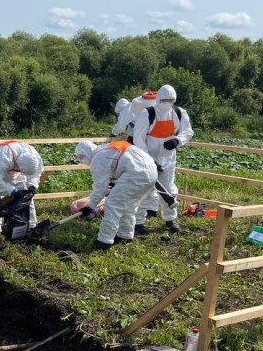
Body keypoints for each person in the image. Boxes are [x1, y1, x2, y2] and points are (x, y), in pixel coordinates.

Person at [131, 84, 194, 233]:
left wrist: (177, 141)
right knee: (144, 190)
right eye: (165, 100)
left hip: (168, 158)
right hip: (147, 158)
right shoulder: (147, 114)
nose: (167, 103)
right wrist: (148, 160)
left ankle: (170, 219)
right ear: (158, 99)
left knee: (168, 189)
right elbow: (138, 139)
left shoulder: (179, 113)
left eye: (171, 100)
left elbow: (187, 131)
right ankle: (138, 222)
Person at [74, 139, 158, 250]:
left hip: (136, 174)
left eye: (81, 157)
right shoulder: (107, 148)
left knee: (112, 204)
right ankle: (125, 235)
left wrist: (90, 206)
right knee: (129, 205)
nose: (82, 161)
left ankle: (104, 241)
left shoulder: (98, 159)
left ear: (87, 152)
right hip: (151, 172)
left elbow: (100, 188)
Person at [0, 140, 44, 239]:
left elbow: (35, 174)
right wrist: (12, 191)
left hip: (14, 167)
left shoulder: (35, 158)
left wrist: (32, 186)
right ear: (18, 164)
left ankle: (31, 225)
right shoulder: (3, 157)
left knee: (26, 195)